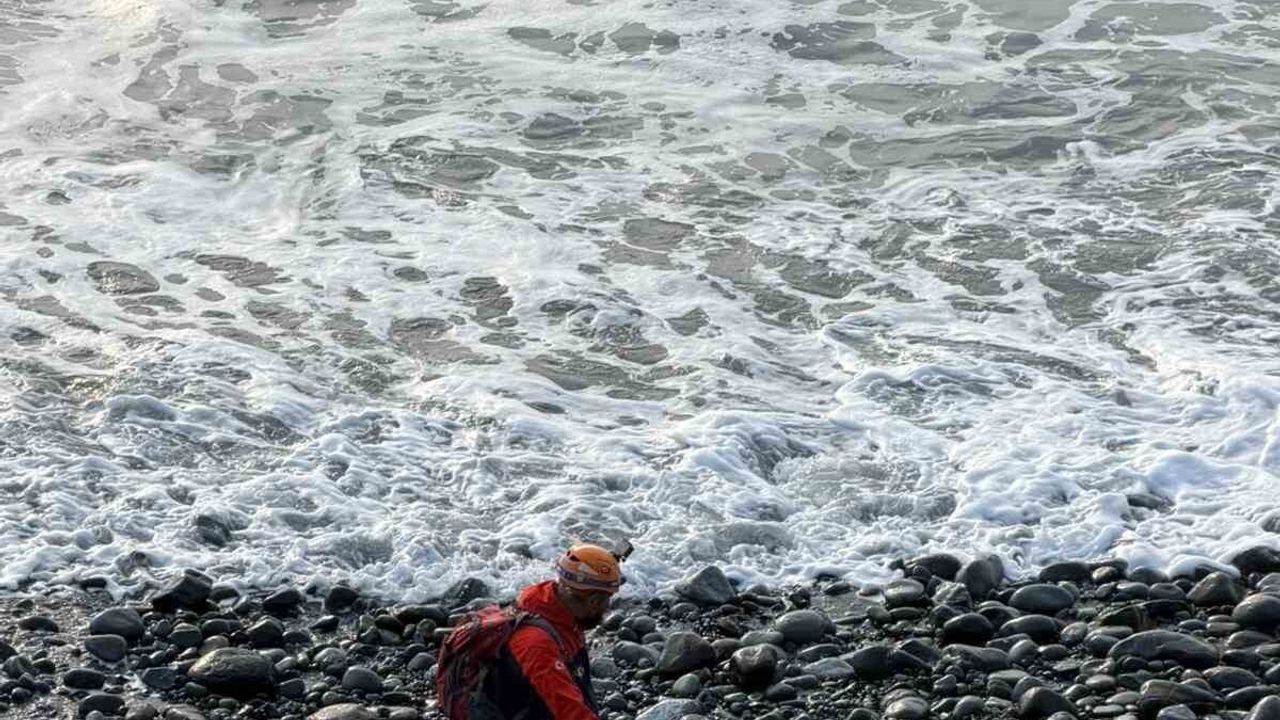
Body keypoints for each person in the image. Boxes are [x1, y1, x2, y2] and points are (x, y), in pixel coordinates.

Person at [437, 543, 628, 720]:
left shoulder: (552, 605)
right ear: (594, 601)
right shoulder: (536, 642)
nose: (607, 607)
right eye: (607, 599)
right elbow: (567, 709)